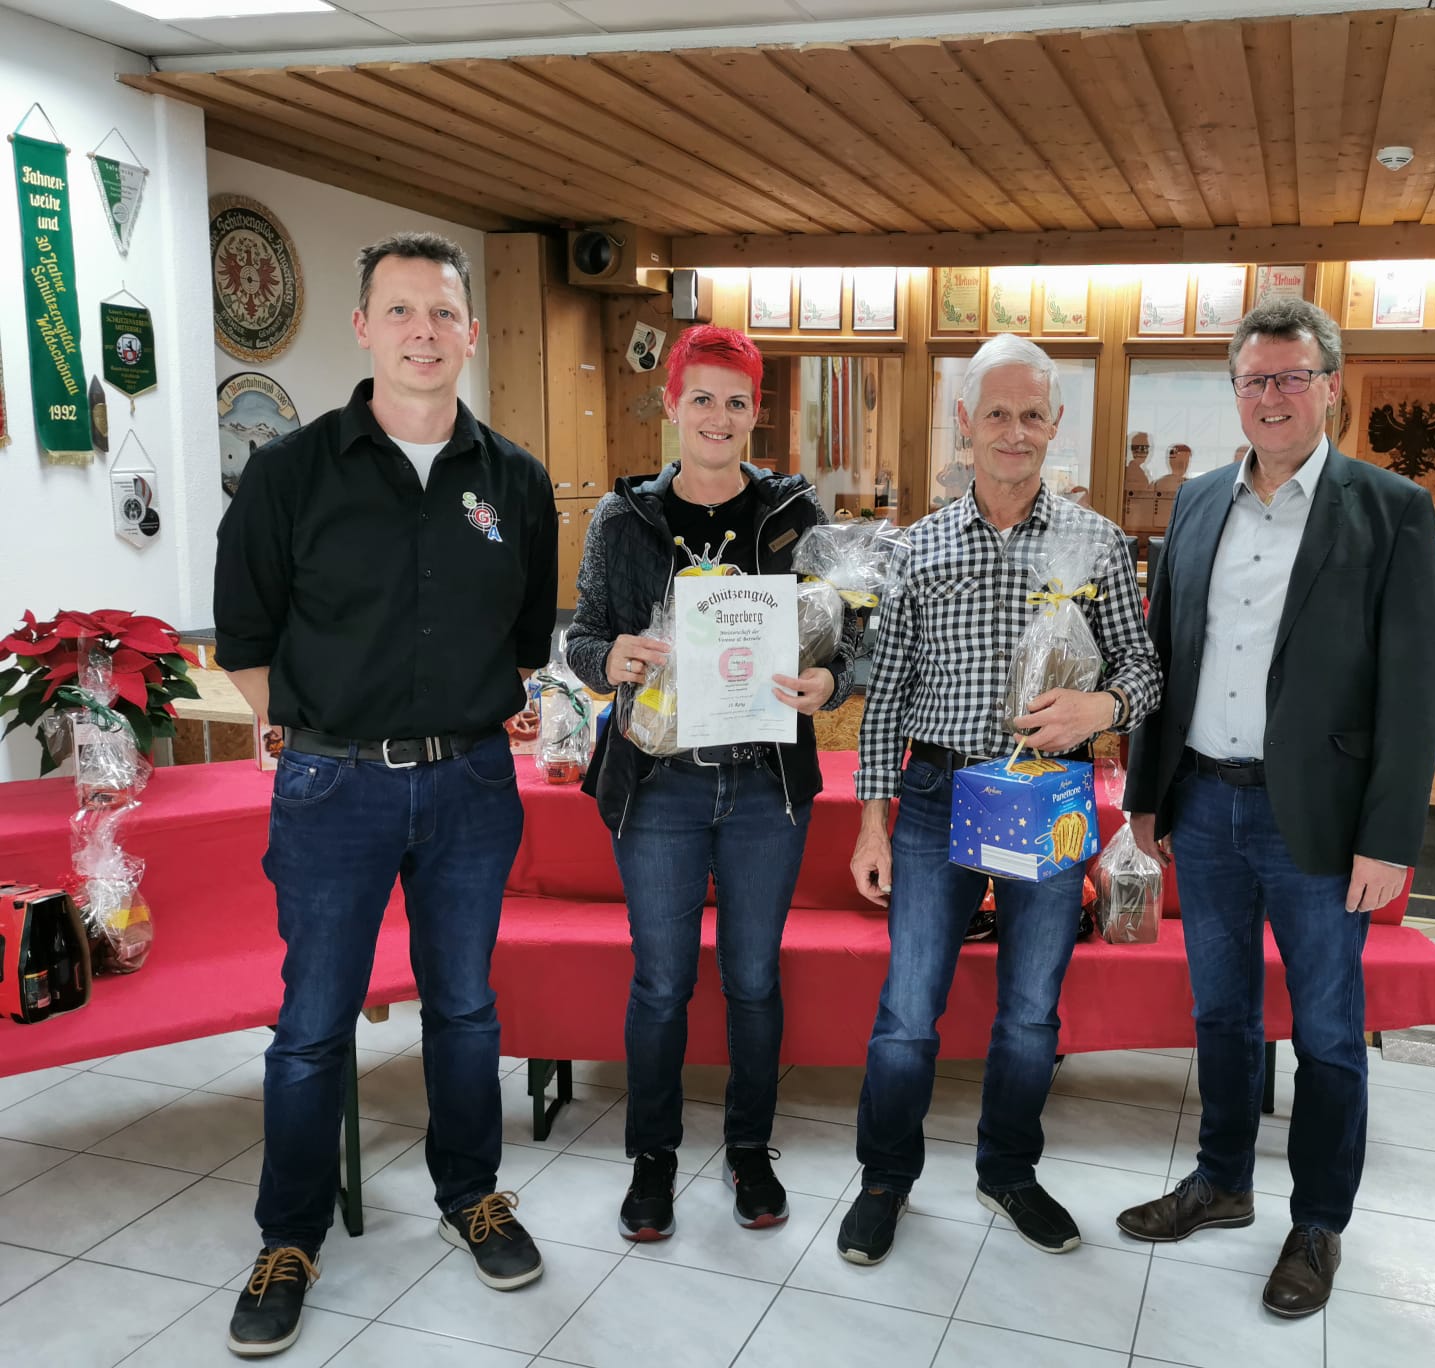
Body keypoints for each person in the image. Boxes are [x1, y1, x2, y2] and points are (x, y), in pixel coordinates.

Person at [214, 233, 557, 1357]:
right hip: (334, 787)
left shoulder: (517, 481)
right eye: (401, 311)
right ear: (362, 328)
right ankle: (289, 1237)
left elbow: (524, 638)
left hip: (471, 783)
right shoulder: (289, 472)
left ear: (471, 333)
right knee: (313, 1025)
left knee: (465, 1007)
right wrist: (310, 737)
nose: (424, 332)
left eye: (443, 313)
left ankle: (471, 1194)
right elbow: (245, 639)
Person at [1117, 297, 1435, 1318]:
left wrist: (1388, 839)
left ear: (1330, 387)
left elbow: (1415, 689)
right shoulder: (1197, 502)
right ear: (1236, 391)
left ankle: (1318, 1224)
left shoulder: (1389, 509)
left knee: (1330, 1034)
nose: (1271, 396)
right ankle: (1222, 1181)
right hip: (1203, 804)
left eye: (1291, 377)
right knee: (1219, 1011)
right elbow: (1160, 656)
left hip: (1321, 821)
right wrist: (1144, 797)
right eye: (1254, 379)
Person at [837, 334, 1162, 1265]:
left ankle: (1009, 1171)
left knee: (1030, 1011)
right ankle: (884, 1178)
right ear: (964, 423)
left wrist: (1101, 706)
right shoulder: (918, 547)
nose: (1014, 432)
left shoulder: (1097, 543)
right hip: (936, 792)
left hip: (1050, 795)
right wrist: (871, 824)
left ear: (1055, 424)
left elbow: (1144, 670)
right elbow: (886, 697)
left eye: (1031, 415)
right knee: (908, 1010)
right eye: (996, 414)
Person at [565, 324, 863, 1242]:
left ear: (755, 412)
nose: (719, 417)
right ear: (672, 406)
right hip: (658, 784)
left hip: (765, 786)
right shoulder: (623, 519)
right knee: (660, 983)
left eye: (736, 402)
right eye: (702, 398)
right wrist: (609, 658)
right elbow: (583, 638)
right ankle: (652, 1157)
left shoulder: (794, 514)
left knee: (753, 980)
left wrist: (830, 680)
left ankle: (749, 1149)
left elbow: (848, 632)